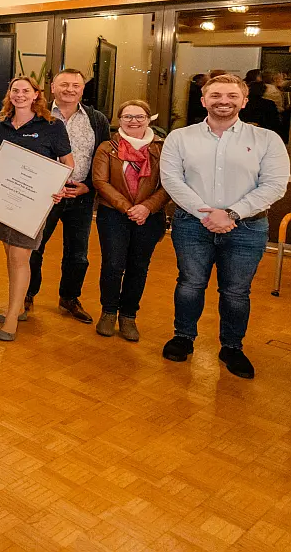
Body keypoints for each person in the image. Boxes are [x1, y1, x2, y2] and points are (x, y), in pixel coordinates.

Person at [160, 73, 290, 379]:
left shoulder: (267, 140)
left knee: (236, 292)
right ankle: (183, 337)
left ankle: (232, 346)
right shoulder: (180, 138)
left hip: (247, 228)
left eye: (232, 96)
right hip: (192, 225)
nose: (224, 101)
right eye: (216, 95)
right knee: (189, 284)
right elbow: (172, 180)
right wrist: (207, 213)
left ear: (244, 101)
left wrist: (231, 214)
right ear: (204, 100)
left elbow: (274, 185)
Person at [0, 77, 73, 341]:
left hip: (33, 204)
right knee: (11, 253)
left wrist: (59, 188)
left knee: (20, 257)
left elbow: (67, 163)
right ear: (9, 95)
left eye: (26, 91)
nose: (20, 95)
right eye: (15, 90)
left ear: (36, 95)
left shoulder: (52, 126)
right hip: (4, 201)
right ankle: (18, 306)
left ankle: (11, 318)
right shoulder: (0, 127)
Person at [29, 69, 110, 324]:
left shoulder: (96, 119)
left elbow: (103, 158)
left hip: (81, 195)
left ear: (82, 90)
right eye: (64, 85)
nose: (70, 89)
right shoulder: (38, 116)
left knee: (78, 254)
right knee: (35, 248)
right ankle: (27, 294)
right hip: (45, 195)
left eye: (76, 85)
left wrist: (89, 186)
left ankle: (69, 297)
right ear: (52, 87)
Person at [91, 100, 169, 342]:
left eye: (139, 116)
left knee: (139, 267)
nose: (133, 121)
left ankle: (128, 316)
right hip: (113, 215)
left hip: (150, 217)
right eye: (127, 116)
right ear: (120, 119)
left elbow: (170, 184)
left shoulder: (162, 148)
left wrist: (146, 207)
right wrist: (128, 208)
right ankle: (108, 312)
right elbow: (100, 182)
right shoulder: (108, 147)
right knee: (113, 265)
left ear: (149, 118)